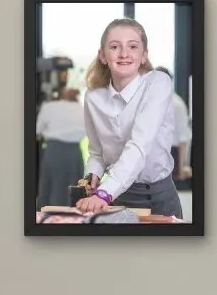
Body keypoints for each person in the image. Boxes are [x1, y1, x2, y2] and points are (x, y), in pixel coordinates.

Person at [71, 19, 184, 220]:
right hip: (118, 197)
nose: (124, 53)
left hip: (159, 195)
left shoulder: (158, 82)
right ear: (103, 56)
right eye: (114, 47)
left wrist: (104, 193)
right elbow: (97, 152)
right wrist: (92, 176)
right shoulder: (93, 97)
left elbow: (139, 145)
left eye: (133, 46)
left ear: (144, 56)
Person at [35, 61, 85, 210]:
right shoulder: (81, 108)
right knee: (71, 194)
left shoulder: (49, 107)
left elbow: (37, 132)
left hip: (53, 151)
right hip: (74, 152)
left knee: (49, 191)